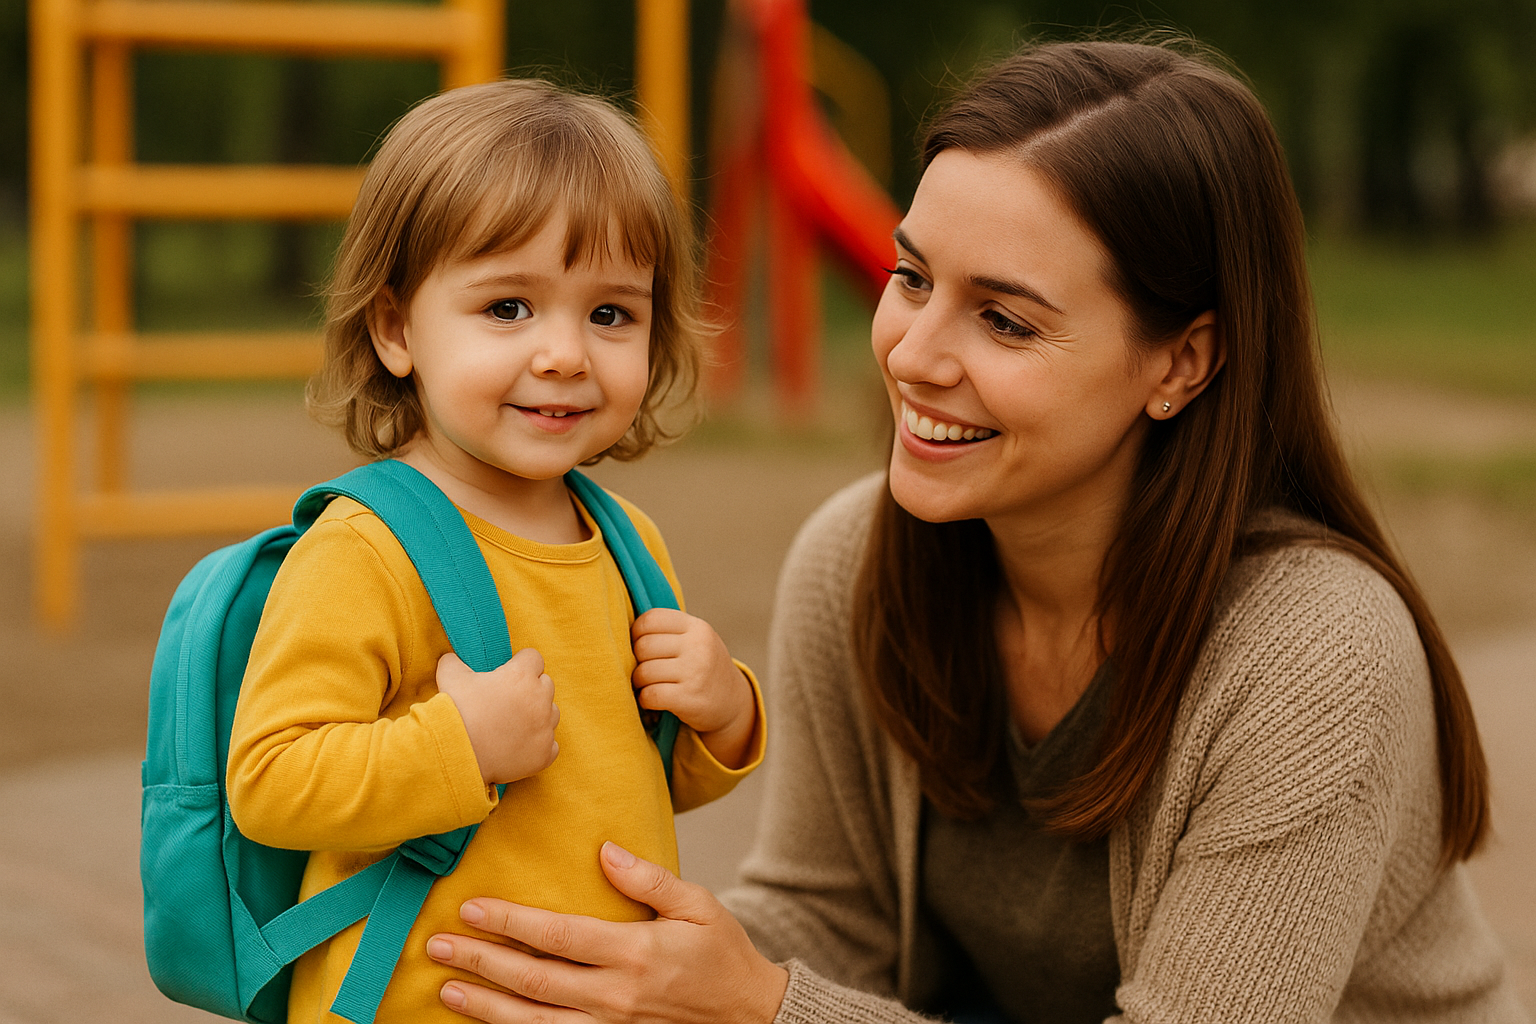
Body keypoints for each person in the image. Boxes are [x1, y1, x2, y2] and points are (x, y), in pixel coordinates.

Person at [419, 39, 1530, 1024]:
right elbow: (824, 916)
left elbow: (779, 993)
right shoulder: (856, 558)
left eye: (1004, 318)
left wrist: (761, 1007)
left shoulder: (1313, 654)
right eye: (911, 277)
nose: (912, 353)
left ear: (1182, 362)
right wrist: (572, 959)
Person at [224, 79, 765, 1023]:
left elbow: (617, 780)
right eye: (509, 307)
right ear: (396, 328)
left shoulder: (630, 545)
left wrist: (720, 717)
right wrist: (457, 746)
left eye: (611, 314)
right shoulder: (367, 548)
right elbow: (270, 782)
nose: (565, 353)